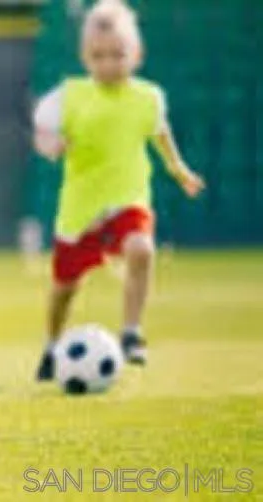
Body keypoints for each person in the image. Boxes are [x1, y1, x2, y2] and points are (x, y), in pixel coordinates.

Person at [31, 0, 205, 380]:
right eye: (98, 56)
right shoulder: (68, 96)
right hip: (80, 209)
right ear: (84, 56)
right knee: (65, 287)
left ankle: (131, 333)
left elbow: (161, 134)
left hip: (128, 198)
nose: (108, 64)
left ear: (137, 54)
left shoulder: (148, 98)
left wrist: (180, 170)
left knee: (141, 249)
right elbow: (43, 134)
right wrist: (51, 147)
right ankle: (50, 345)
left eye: (117, 55)